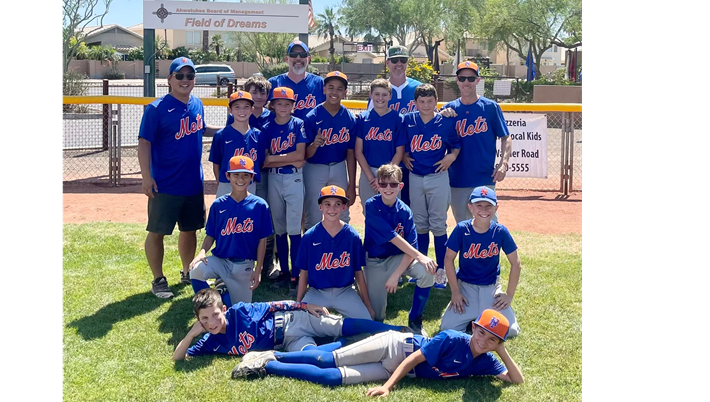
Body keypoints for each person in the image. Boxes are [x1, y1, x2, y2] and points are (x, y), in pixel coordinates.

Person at [230, 308, 524, 391]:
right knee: (325, 358)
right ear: (473, 328)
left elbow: (516, 380)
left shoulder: (485, 359)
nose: (483, 341)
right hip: (395, 347)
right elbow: (413, 359)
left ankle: (267, 365)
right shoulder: (452, 338)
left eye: (492, 340)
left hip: (394, 368)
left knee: (331, 378)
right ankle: (273, 353)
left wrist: (502, 351)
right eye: (482, 333)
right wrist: (387, 387)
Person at [138, 56, 220, 298]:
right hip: (164, 183)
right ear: (170, 79)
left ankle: (186, 271)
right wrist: (146, 177)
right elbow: (144, 143)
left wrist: (229, 127)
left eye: (190, 76)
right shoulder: (156, 108)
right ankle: (158, 279)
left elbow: (202, 128)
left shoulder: (197, 104)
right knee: (157, 232)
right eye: (180, 75)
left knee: (190, 230)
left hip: (193, 182)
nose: (185, 80)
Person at [173, 288, 408, 361]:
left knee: (346, 325)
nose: (211, 322)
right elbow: (177, 358)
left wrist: (305, 307)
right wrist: (191, 335)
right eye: (204, 319)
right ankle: (343, 344)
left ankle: (398, 330)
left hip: (292, 320)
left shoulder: (239, 311)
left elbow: (275, 305)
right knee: (316, 357)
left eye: (214, 315)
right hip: (289, 341)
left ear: (223, 310)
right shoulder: (210, 342)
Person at [188, 155, 273, 307]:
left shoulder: (260, 205)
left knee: (239, 312)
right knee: (196, 270)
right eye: (236, 174)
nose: (240, 179)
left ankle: (223, 290)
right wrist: (202, 252)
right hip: (221, 260)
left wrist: (258, 269)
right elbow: (211, 235)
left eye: (245, 175)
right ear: (228, 176)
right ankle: (209, 306)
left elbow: (262, 240)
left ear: (252, 177)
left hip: (244, 265)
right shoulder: (219, 204)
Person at [363, 164, 436, 335]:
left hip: (399, 258)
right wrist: (420, 256)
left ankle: (415, 319)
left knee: (427, 272)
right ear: (377, 185)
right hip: (375, 261)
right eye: (384, 184)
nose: (388, 188)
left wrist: (396, 275)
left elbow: (410, 249)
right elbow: (393, 237)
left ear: (400, 186)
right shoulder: (371, 206)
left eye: (393, 184)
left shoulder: (405, 211)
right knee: (376, 317)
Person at [440, 187, 521, 339]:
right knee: (447, 328)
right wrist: (455, 292)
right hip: (466, 288)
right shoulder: (462, 229)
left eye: (488, 206)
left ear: (496, 207)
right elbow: (448, 259)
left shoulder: (500, 231)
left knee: (510, 330)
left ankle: (479, 316)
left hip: (490, 288)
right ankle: (477, 316)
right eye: (479, 205)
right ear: (470, 207)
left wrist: (509, 295)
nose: (484, 210)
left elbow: (516, 263)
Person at [401, 84, 461, 287]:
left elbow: (456, 146)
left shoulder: (444, 121)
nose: (426, 105)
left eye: (430, 101)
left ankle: (442, 270)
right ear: (415, 103)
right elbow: (400, 144)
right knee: (419, 224)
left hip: (438, 176)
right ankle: (423, 267)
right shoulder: (408, 120)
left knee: (438, 224)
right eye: (421, 101)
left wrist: (451, 157)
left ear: (436, 101)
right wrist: (405, 154)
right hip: (415, 177)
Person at [441, 61, 512, 223]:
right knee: (463, 225)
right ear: (457, 80)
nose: (466, 82)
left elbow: (506, 137)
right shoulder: (448, 110)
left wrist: (503, 163)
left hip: (484, 177)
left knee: (488, 224)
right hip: (457, 178)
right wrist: (440, 118)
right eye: (462, 78)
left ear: (478, 80)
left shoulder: (490, 107)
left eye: (471, 78)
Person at [295, 186, 374, 320]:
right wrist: (298, 304)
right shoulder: (310, 237)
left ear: (344, 207)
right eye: (327, 204)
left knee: (366, 323)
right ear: (320, 207)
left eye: (338, 204)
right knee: (298, 322)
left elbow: (358, 272)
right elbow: (304, 273)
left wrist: (367, 305)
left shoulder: (352, 236)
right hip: (317, 292)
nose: (332, 209)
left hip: (345, 291)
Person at [226, 76, 277, 280]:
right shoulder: (238, 116)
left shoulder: (271, 116)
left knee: (266, 218)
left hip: (266, 173)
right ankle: (241, 263)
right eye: (253, 92)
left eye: (262, 93)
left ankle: (268, 264)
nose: (257, 96)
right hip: (241, 176)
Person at [261, 87, 308, 296]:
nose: (283, 107)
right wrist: (276, 159)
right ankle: (284, 272)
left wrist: (273, 158)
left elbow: (300, 157)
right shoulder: (267, 125)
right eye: (279, 103)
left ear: (293, 106)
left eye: (287, 103)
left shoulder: (298, 124)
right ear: (272, 105)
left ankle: (296, 274)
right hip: (274, 178)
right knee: (278, 226)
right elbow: (264, 159)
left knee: (294, 229)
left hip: (293, 178)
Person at [367, 45, 422, 208]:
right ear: (387, 63)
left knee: (411, 208)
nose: (399, 64)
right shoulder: (379, 91)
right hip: (387, 159)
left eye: (403, 60)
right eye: (395, 60)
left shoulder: (418, 88)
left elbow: (431, 118)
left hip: (415, 159)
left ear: (407, 62)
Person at [302, 70, 358, 230]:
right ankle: (312, 250)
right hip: (314, 167)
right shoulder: (312, 117)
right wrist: (314, 144)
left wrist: (352, 185)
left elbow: (350, 153)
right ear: (324, 89)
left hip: (339, 166)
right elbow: (305, 154)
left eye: (339, 88)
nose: (335, 92)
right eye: (331, 87)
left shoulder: (349, 118)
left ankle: (341, 249)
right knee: (313, 212)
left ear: (345, 92)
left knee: (343, 211)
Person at [356, 79, 406, 208]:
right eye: (377, 94)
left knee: (392, 211)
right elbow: (358, 151)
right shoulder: (363, 118)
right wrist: (371, 177)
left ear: (390, 96)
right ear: (370, 95)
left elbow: (399, 152)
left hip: (391, 173)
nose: (380, 98)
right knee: (369, 212)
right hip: (369, 172)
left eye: (384, 94)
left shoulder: (397, 118)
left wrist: (384, 177)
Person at [210, 91, 267, 197]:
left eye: (246, 107)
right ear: (230, 110)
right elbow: (216, 164)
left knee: (248, 212)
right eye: (237, 107)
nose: (242, 110)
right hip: (226, 184)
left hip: (249, 183)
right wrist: (220, 183)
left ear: (252, 110)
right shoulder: (221, 135)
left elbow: (260, 161)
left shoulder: (258, 135)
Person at [268, 41, 325, 121]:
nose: (298, 58)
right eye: (293, 55)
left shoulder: (320, 83)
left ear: (308, 59)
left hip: (312, 133)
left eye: (303, 55)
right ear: (287, 59)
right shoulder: (273, 83)